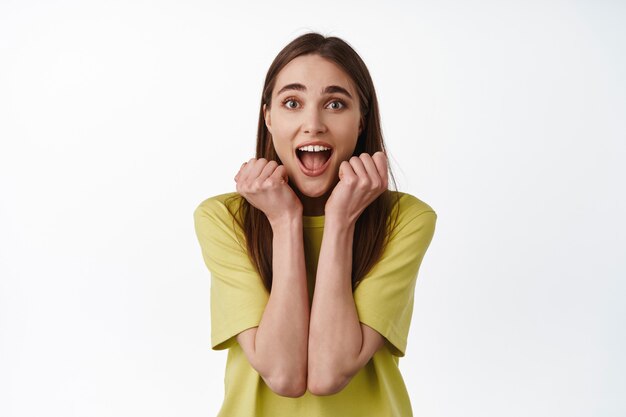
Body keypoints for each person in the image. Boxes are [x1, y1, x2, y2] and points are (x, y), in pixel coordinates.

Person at [193, 32, 437, 417]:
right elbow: (284, 374)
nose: (313, 124)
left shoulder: (406, 220)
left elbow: (328, 373)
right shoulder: (223, 219)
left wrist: (340, 221)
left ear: (362, 121)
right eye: (292, 102)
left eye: (335, 104)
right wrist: (285, 220)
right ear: (269, 118)